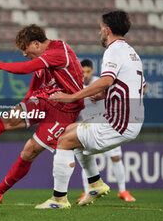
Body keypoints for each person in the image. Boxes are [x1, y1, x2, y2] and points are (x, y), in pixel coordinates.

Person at [0, 24, 84, 206]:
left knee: (29, 150)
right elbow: (34, 87)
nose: (23, 53)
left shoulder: (58, 51)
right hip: (45, 100)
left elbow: (26, 68)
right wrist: (24, 107)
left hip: (65, 109)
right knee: (8, 117)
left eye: (25, 48)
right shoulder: (42, 59)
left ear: (37, 44)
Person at [36, 10, 145, 208]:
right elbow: (141, 87)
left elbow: (106, 80)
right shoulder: (132, 53)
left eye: (99, 29)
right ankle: (94, 184)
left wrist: (71, 97)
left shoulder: (113, 50)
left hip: (119, 121)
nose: (99, 33)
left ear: (107, 30)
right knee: (71, 134)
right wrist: (104, 95)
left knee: (63, 139)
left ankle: (58, 200)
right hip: (128, 119)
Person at [77, 59, 136, 202]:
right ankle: (87, 191)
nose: (85, 74)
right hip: (88, 127)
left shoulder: (101, 83)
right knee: (87, 158)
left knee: (115, 158)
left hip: (106, 125)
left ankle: (122, 190)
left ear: (92, 71)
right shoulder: (76, 86)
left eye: (88, 71)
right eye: (82, 71)